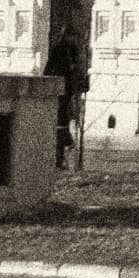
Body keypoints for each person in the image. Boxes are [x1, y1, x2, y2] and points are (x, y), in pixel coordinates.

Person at [47, 28, 89, 175]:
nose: (73, 39)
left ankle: (64, 146)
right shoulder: (60, 49)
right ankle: (64, 145)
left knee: (64, 116)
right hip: (60, 88)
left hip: (68, 88)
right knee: (61, 117)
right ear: (67, 36)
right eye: (72, 36)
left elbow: (78, 69)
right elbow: (51, 67)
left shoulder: (73, 50)